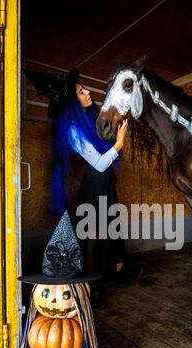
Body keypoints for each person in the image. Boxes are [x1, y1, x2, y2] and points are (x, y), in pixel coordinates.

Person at [24, 68, 142, 308]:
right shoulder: (72, 130)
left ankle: (118, 272)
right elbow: (98, 162)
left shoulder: (90, 118)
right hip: (95, 185)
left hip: (105, 183)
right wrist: (119, 143)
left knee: (112, 229)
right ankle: (92, 288)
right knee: (92, 238)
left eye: (84, 88)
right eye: (81, 91)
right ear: (72, 101)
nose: (87, 92)